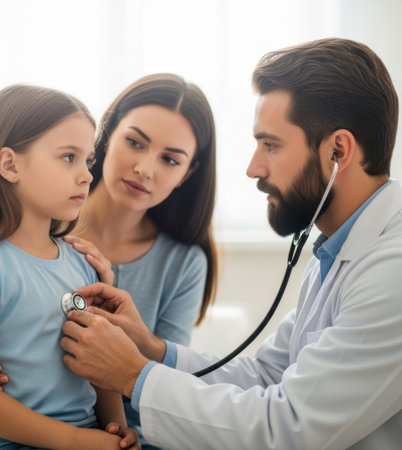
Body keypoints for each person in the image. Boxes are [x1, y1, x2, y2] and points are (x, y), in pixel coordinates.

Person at [60, 38, 402, 449]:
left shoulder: (390, 270)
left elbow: (288, 426)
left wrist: (132, 374)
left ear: (338, 150)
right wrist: (150, 348)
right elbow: (264, 375)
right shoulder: (337, 252)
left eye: (271, 145)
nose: (252, 168)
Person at [0, 73, 218, 449]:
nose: (146, 168)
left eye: (170, 159)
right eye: (134, 142)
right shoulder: (28, 227)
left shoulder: (184, 262)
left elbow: (163, 389)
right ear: (107, 136)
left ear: (187, 174)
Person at [0, 84, 139, 449]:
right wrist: (76, 441)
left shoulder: (82, 263)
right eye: (68, 157)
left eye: (88, 160)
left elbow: (99, 365)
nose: (86, 175)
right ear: (10, 164)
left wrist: (117, 430)